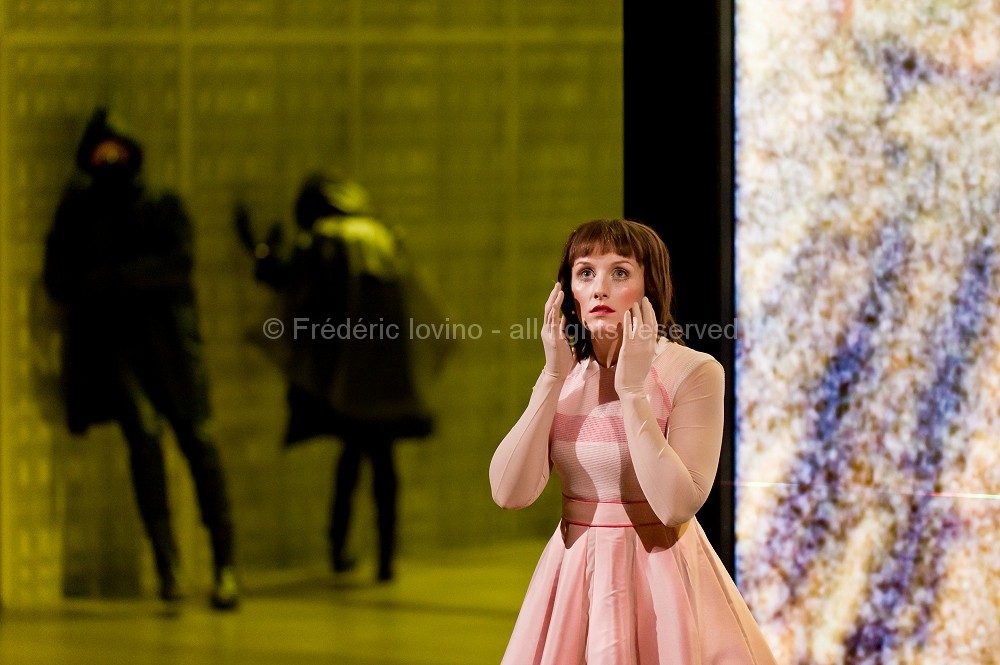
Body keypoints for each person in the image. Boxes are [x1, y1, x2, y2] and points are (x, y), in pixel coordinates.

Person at [489, 218, 776, 663]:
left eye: (619, 272)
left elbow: (676, 506)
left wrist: (632, 392)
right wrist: (549, 377)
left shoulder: (693, 371)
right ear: (566, 292)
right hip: (574, 574)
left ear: (649, 288)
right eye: (585, 273)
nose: (599, 288)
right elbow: (509, 493)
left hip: (659, 578)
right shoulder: (566, 374)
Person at [43, 107, 239, 610]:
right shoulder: (81, 211)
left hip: (169, 344)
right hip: (117, 348)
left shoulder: (159, 204)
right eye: (101, 154)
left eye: (117, 152)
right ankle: (169, 565)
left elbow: (178, 263)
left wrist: (110, 279)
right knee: (145, 443)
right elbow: (59, 278)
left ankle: (224, 565)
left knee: (198, 443)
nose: (110, 162)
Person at [236, 171, 447, 582]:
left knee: (352, 457)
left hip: (348, 374)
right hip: (388, 371)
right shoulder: (383, 236)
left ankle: (339, 547)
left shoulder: (325, 239)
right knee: (382, 461)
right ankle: (385, 557)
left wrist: (259, 251)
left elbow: (295, 287)